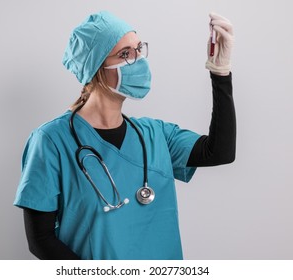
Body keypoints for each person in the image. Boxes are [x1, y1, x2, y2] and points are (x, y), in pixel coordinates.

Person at [14, 10, 236, 260]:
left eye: (139, 49)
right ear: (96, 67)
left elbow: (220, 152)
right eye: (125, 54)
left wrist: (220, 73)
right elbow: (41, 240)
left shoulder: (155, 135)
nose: (139, 60)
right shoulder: (51, 141)